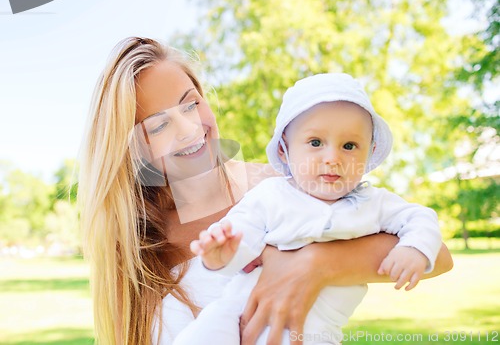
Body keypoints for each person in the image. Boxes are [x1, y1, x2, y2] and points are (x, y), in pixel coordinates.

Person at [78, 37, 453, 345]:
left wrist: (313, 264)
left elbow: (439, 255)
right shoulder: (139, 242)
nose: (190, 128)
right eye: (158, 126)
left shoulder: (277, 187)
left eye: (191, 103)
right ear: (131, 147)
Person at [175, 73, 443, 344]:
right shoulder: (270, 196)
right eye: (315, 143)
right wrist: (220, 255)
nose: (332, 159)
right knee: (201, 335)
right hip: (238, 313)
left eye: (349, 146)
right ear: (284, 150)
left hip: (313, 331)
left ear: (370, 153)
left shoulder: (374, 203)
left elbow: (420, 217)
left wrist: (414, 248)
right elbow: (241, 240)